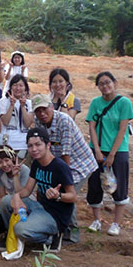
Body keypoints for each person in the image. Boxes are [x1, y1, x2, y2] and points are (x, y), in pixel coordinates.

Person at [32, 93, 97, 242]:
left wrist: (63, 179)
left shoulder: (64, 121)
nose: (42, 114)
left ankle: (72, 231)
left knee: (67, 193)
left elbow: (66, 153)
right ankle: (56, 227)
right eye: (38, 111)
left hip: (79, 163)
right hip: (58, 162)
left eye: (44, 109)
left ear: (51, 107)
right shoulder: (38, 122)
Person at [0, 127, 76, 250]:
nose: (34, 149)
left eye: (38, 144)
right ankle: (11, 236)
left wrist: (58, 196)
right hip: (39, 207)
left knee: (20, 229)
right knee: (6, 201)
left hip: (55, 216)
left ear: (48, 145)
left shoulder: (60, 166)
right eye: (30, 146)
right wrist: (16, 193)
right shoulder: (36, 163)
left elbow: (73, 196)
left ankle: (51, 237)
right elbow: (27, 190)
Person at [86, 72, 133, 237]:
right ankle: (97, 220)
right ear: (97, 87)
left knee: (119, 185)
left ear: (114, 82)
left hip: (118, 150)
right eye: (101, 84)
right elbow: (91, 127)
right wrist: (97, 150)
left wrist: (112, 154)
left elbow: (122, 129)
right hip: (97, 149)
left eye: (108, 82)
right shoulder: (95, 103)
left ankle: (116, 223)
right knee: (94, 184)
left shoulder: (124, 103)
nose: (105, 86)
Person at [0, 145, 30, 237]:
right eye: (0, 162)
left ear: (13, 158)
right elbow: (1, 195)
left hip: (25, 202)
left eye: (7, 160)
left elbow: (22, 193)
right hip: (9, 203)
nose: (4, 165)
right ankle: (8, 230)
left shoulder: (24, 170)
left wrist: (15, 175)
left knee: (7, 200)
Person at [0, 74, 33, 159]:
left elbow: (27, 124)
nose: (18, 88)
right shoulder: (3, 101)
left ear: (25, 88)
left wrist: (23, 106)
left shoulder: (29, 103)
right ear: (10, 87)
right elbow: (5, 122)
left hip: (24, 144)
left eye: (21, 85)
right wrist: (12, 105)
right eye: (15, 85)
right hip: (7, 143)